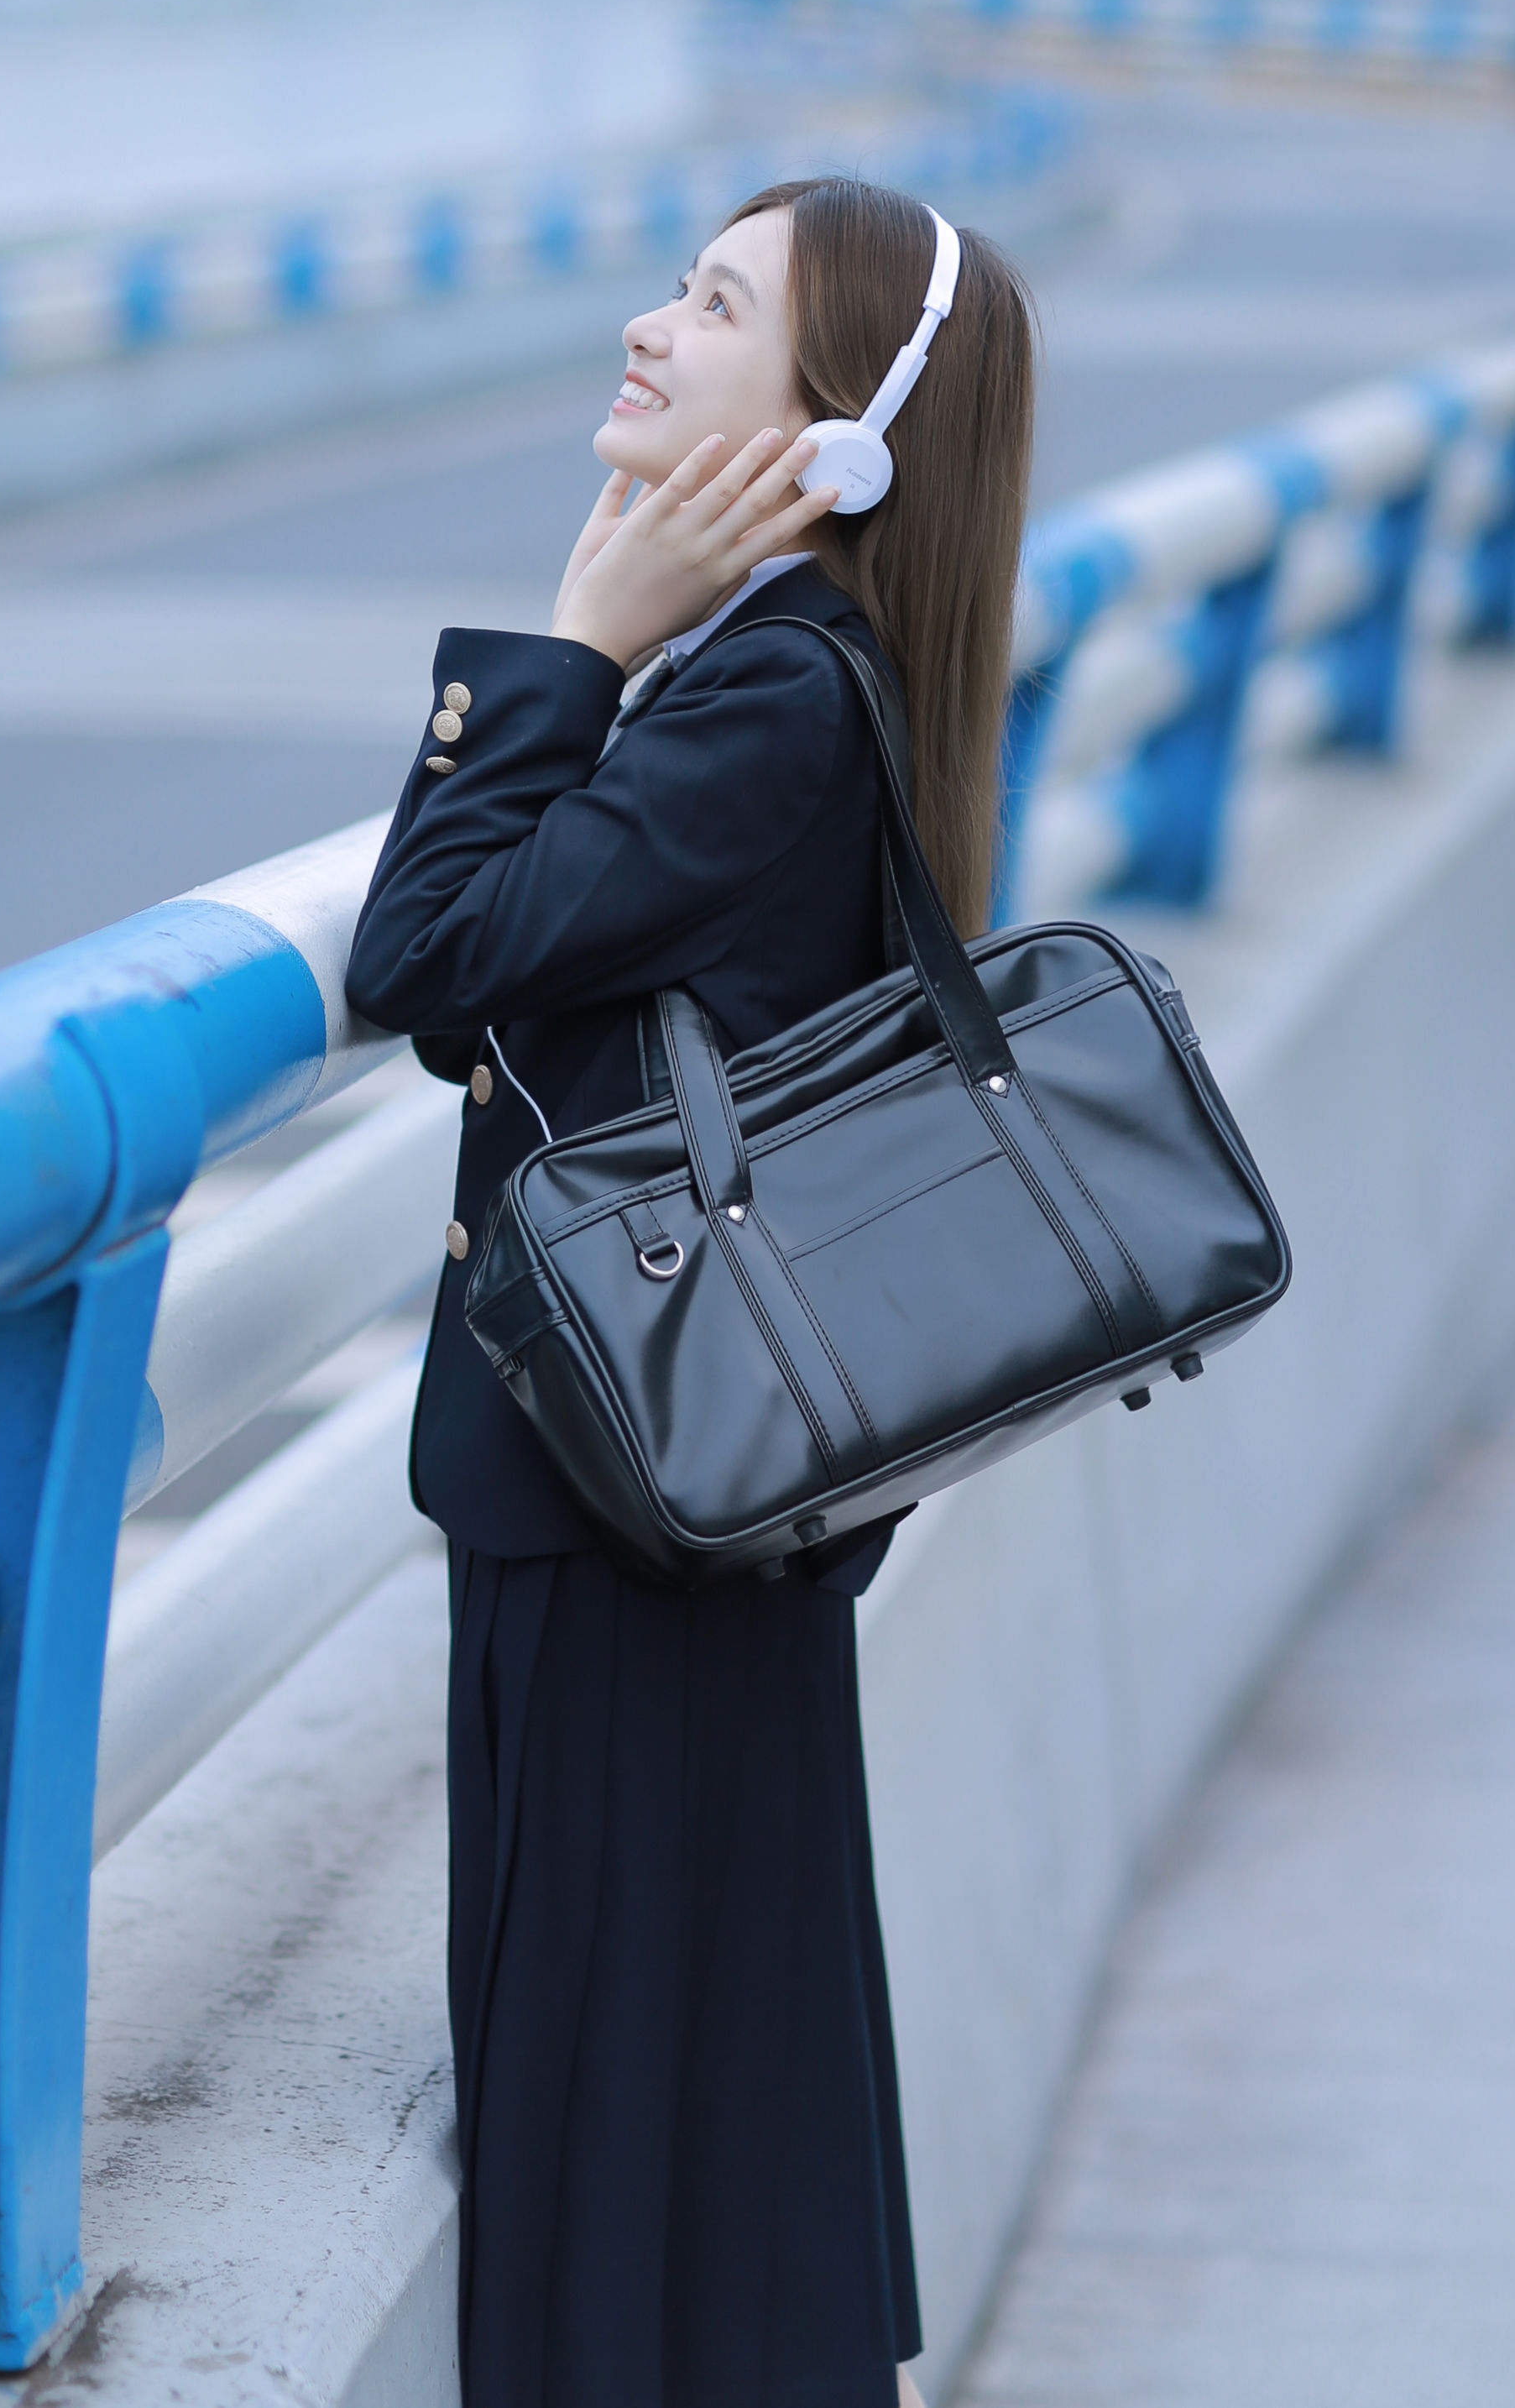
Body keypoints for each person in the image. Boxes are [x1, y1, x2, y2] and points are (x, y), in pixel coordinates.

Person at [345, 175, 1037, 2408]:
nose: (651, 324)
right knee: (703, 2149)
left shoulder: (762, 701)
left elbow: (429, 954)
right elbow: (517, 985)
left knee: (613, 2188)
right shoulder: (815, 684)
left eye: (713, 303)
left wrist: (569, 632)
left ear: (839, 423)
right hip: (681, 1504)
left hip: (618, 1511)